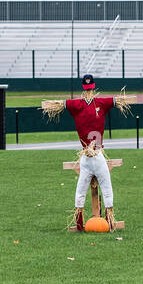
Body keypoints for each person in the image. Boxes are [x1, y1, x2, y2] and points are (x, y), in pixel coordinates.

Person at [41, 75, 134, 231]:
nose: (89, 92)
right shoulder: (95, 103)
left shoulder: (78, 104)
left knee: (82, 190)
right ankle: (108, 221)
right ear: (93, 88)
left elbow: (54, 105)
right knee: (106, 188)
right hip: (96, 156)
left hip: (87, 157)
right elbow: (123, 100)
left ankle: (80, 223)